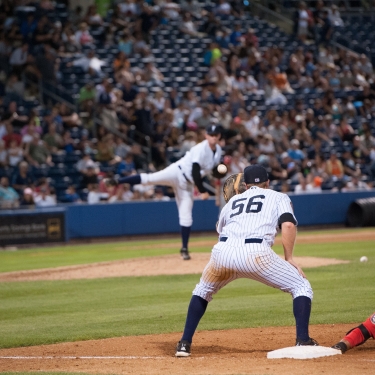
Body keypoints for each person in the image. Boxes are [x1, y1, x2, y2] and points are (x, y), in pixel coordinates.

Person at [175, 164, 317, 357]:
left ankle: (184, 344)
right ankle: (303, 340)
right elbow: (289, 225)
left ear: (246, 184)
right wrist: (289, 258)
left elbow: (221, 231)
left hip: (223, 251)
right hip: (256, 253)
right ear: (267, 182)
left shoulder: (231, 202)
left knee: (203, 290)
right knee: (301, 286)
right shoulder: (278, 196)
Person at [105, 125, 226, 260]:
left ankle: (184, 249)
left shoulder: (218, 150)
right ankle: (117, 181)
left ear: (219, 136)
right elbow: (195, 171)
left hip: (187, 185)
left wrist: (220, 171)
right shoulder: (200, 148)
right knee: (150, 179)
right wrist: (202, 190)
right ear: (206, 135)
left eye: (216, 135)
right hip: (177, 172)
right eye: (211, 135)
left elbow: (214, 169)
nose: (213, 137)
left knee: (186, 214)